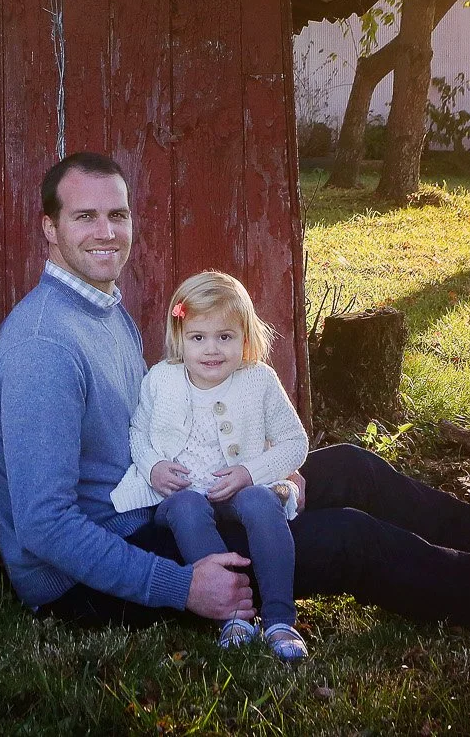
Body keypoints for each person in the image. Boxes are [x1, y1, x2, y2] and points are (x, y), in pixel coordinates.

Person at [0, 151, 470, 634]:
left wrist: (247, 475)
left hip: (158, 506)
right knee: (347, 535)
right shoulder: (43, 346)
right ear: (49, 229)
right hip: (93, 576)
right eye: (83, 215)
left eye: (116, 212)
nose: (106, 230)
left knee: (344, 465)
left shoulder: (101, 306)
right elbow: (46, 528)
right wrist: (181, 584)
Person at [112, 270, 309, 660]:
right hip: (180, 498)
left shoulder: (259, 381)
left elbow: (295, 443)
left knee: (259, 501)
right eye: (198, 338)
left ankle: (279, 619)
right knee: (186, 506)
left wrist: (249, 474)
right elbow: (138, 432)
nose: (211, 350)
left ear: (245, 337)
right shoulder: (161, 380)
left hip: (236, 494)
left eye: (225, 337)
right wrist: (153, 468)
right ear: (180, 337)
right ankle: (233, 615)